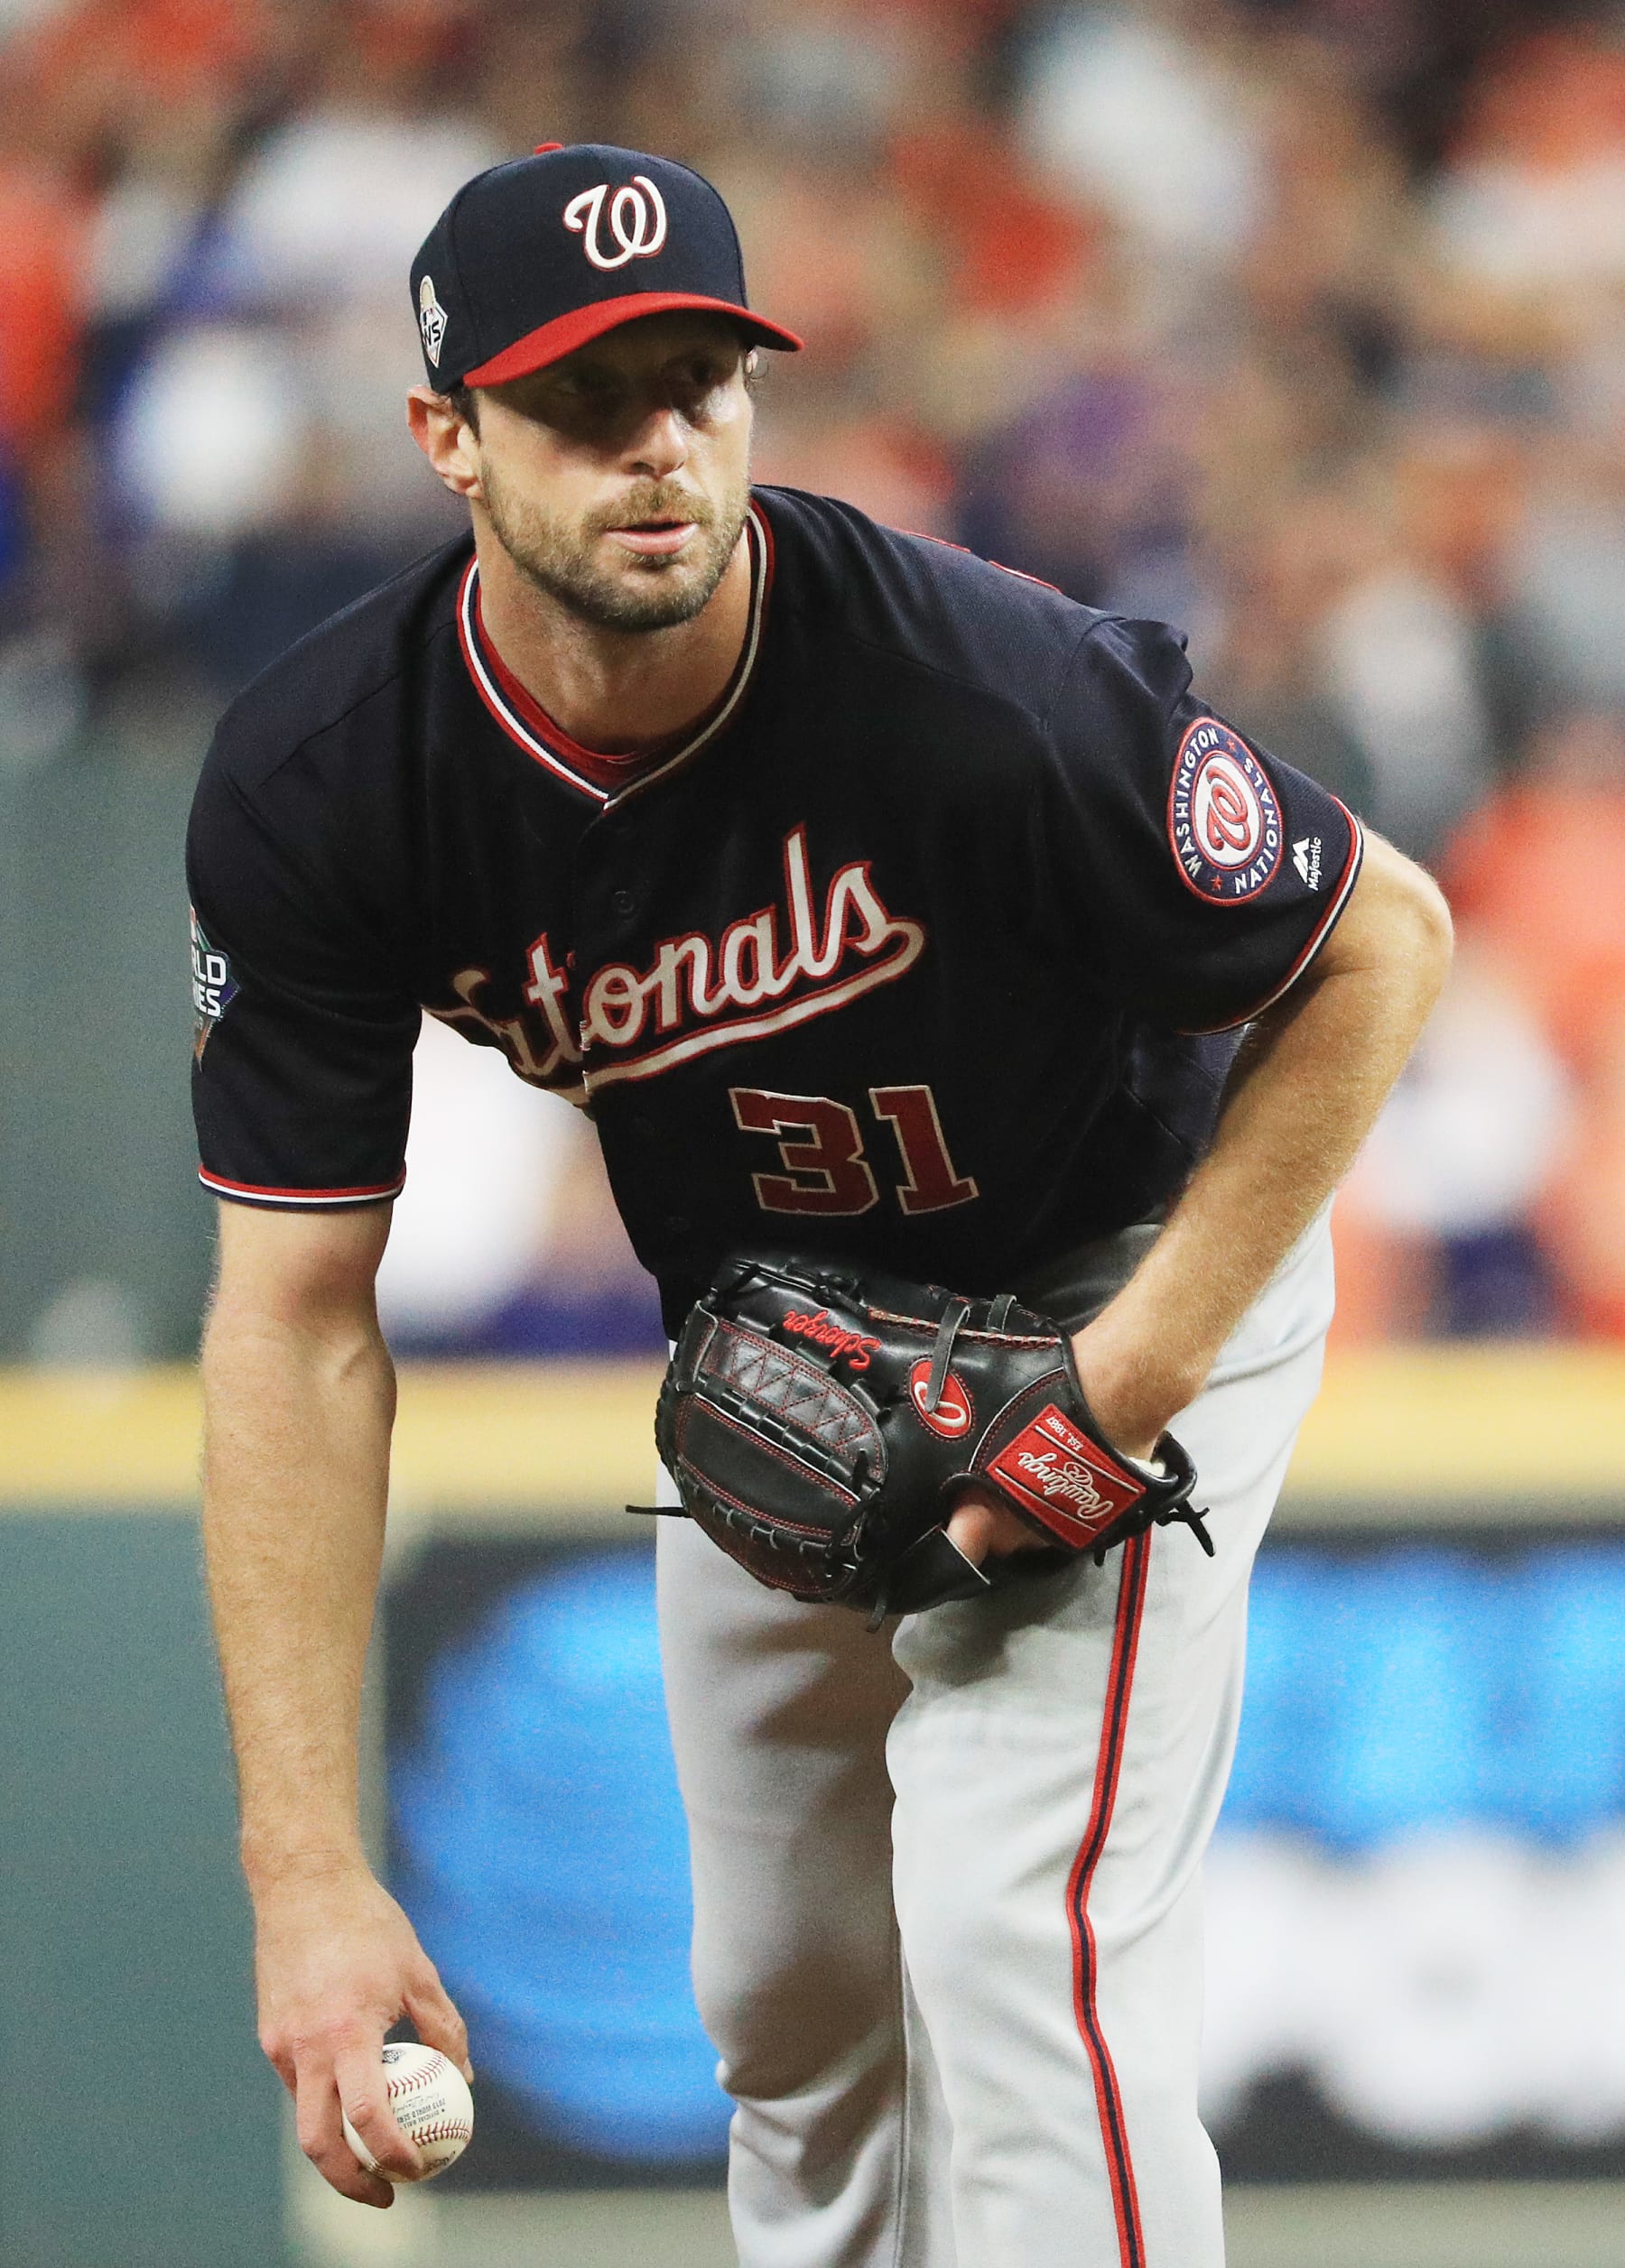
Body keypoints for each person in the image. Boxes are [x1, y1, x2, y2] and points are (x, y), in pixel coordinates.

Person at [189, 142, 1452, 2266]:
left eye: (700, 379)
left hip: (1132, 1269)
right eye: (587, 402)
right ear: (448, 441)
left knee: (1010, 1937)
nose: (660, 444)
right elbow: (294, 1315)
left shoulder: (978, 692)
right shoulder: (333, 785)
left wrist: (1116, 1385)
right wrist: (307, 1871)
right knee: (783, 2007)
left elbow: (1382, 939)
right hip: (783, 1345)